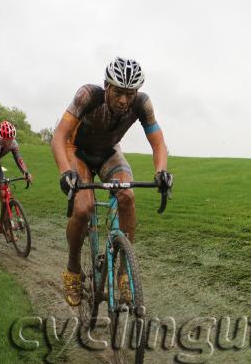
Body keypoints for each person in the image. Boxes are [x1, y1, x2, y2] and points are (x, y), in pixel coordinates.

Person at [51, 57, 173, 307]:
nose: (124, 100)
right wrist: (66, 172)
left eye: (130, 94)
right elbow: (59, 136)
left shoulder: (142, 103)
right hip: (77, 150)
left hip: (108, 151)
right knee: (84, 208)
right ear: (107, 85)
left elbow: (158, 142)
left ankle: (123, 273)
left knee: (127, 196)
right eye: (118, 92)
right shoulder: (88, 95)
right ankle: (73, 267)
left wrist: (161, 171)